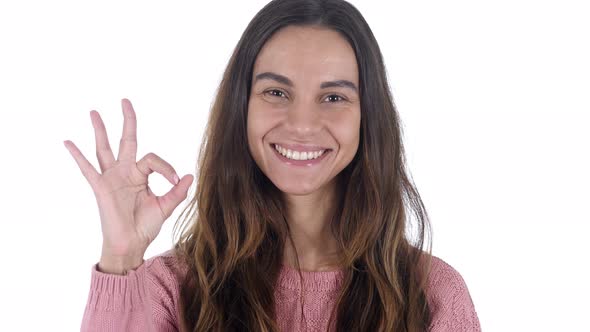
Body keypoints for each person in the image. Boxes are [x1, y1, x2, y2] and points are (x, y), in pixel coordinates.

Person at [65, 0, 481, 331]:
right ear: (241, 108)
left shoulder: (433, 297)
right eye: (277, 92)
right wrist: (119, 257)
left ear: (367, 117)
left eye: (333, 97)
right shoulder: (170, 290)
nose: (301, 124)